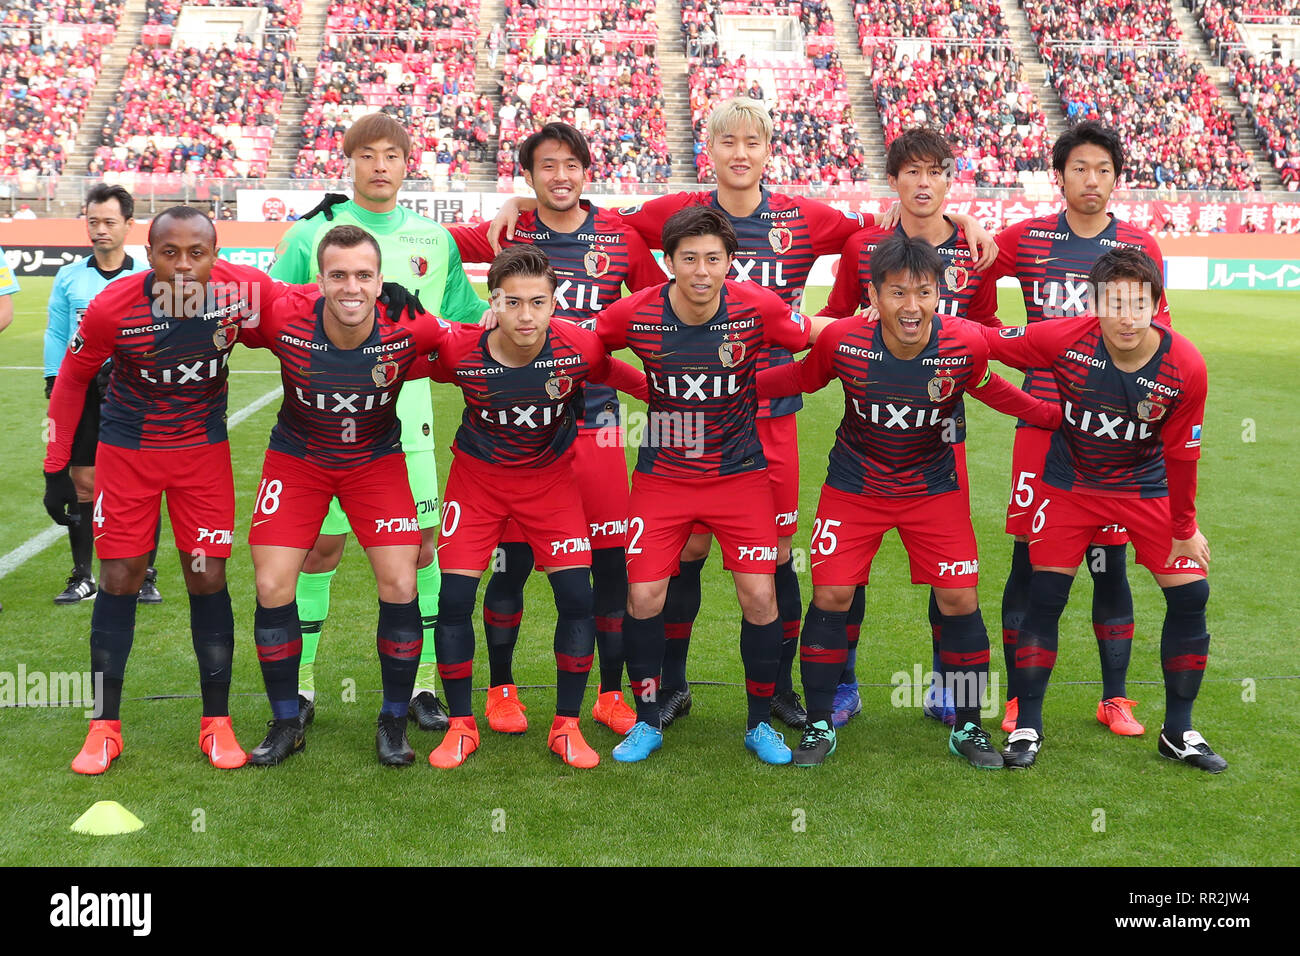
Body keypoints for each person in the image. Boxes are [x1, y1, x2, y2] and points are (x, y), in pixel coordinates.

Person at [489, 99, 1001, 730]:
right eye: (726, 140)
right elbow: (588, 218)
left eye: (751, 142)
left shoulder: (806, 217)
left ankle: (783, 690)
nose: (739, 152)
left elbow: (883, 233)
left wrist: (956, 216)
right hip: (683, 418)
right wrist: (517, 207)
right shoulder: (672, 214)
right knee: (684, 554)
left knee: (776, 557)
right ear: (710, 148)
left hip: (771, 410)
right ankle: (667, 687)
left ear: (767, 151)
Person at [761, 235, 1059, 767]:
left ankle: (968, 727)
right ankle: (820, 724)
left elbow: (998, 392)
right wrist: (729, 384)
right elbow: (799, 378)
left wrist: (1060, 419)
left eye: (923, 292)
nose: (911, 306)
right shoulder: (844, 342)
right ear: (873, 297)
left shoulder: (964, 344)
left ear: (939, 293)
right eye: (897, 293)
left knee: (960, 600)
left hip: (932, 491)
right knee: (831, 597)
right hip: (855, 487)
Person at [43, 206, 289, 774]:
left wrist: (386, 303)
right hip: (127, 455)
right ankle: (104, 728)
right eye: (169, 253)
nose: (182, 266)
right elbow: (74, 376)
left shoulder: (242, 291)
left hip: (202, 458)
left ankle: (217, 724)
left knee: (207, 576)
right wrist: (58, 467)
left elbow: (302, 308)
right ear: (148, 254)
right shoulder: (113, 305)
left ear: (216, 254)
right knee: (119, 576)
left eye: (196, 253)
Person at [271, 113, 488, 735]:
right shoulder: (310, 233)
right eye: (367, 155)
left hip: (406, 426)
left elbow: (464, 324)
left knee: (421, 552)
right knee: (318, 551)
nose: (380, 166)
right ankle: (305, 684)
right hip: (318, 428)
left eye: (392, 154)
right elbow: (266, 302)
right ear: (350, 160)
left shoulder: (431, 238)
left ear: (406, 162)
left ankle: (421, 689)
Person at [448, 123, 664, 737]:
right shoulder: (509, 230)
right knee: (511, 565)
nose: (560, 176)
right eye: (547, 166)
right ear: (529, 175)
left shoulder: (619, 235)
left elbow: (658, 302)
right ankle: (500, 689)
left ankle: (609, 695)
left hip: (595, 427)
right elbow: (428, 244)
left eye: (571, 164)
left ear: (587, 171)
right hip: (516, 439)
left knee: (608, 565)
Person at [594, 206, 829, 766]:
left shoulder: (759, 306)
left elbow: (806, 348)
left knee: (760, 595)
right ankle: (647, 719)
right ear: (669, 262)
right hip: (663, 477)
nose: (702, 271)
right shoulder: (636, 312)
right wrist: (643, 388)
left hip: (740, 476)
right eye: (689, 259)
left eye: (714, 259)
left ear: (730, 262)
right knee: (644, 596)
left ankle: (757, 723)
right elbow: (590, 352)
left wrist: (867, 325)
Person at [979, 248, 1221, 772]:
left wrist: (1185, 529)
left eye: (1139, 302)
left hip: (1145, 488)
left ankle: (1179, 731)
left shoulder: (1186, 365)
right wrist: (924, 321)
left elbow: (1183, 455)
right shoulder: (1065, 338)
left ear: (1158, 304)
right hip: (1071, 485)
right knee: (1045, 595)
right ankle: (1028, 725)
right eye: (1114, 302)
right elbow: (986, 342)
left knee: (1191, 595)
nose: (1127, 316)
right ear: (1094, 304)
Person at [967, 121, 1171, 738]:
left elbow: (1162, 342)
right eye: (1079, 168)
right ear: (1060, 176)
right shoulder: (1028, 239)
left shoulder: (1139, 247)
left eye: (1103, 169)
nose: (1091, 179)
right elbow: (972, 277)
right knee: (1030, 562)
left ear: (1116, 178)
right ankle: (1016, 698)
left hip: (1113, 432)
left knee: (1110, 563)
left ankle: (1116, 698)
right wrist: (971, 230)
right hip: (1047, 423)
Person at [425, 245, 648, 769]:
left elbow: (619, 374)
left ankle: (566, 727)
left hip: (548, 483)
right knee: (454, 598)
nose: (526, 316)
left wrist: (677, 404)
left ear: (555, 303)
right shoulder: (461, 350)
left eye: (538, 303)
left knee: (577, 595)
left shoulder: (579, 348)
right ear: (492, 302)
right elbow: (404, 360)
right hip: (476, 483)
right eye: (513, 302)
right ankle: (461, 725)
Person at [239, 225, 445, 766]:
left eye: (362, 275)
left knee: (402, 580)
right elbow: (221, 281)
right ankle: (287, 719)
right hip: (299, 458)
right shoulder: (284, 313)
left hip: (374, 463)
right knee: (272, 581)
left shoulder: (411, 324)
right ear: (320, 279)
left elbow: (471, 344)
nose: (350, 287)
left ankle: (393, 720)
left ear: (381, 281)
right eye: (338, 275)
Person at [818, 128, 1003, 729]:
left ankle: (949, 686)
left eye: (936, 172)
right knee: (849, 571)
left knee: (946, 571)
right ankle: (842, 684)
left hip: (940, 434)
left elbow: (985, 333)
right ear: (893, 180)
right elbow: (832, 316)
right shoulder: (864, 246)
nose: (924, 184)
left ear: (950, 179)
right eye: (912, 173)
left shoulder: (974, 251)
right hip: (868, 434)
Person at [44, 185, 156, 607]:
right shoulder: (70, 276)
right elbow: (57, 333)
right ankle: (83, 575)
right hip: (82, 390)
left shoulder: (146, 275)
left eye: (109, 222)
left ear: (129, 225)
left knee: (141, 482)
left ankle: (145, 574)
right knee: (83, 481)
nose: (100, 230)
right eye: (93, 222)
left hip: (135, 390)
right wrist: (55, 380)